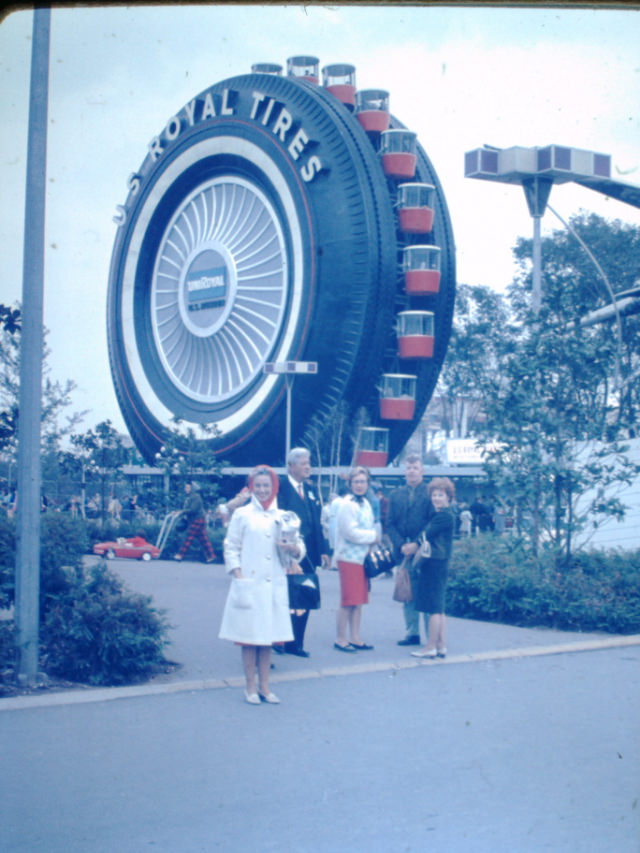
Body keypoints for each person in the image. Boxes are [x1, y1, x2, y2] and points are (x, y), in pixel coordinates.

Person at [219, 465, 305, 704]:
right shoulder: (243, 515)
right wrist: (238, 575)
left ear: (274, 486)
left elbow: (299, 547)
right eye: (258, 486)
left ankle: (265, 687)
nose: (263, 490)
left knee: (267, 639)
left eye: (267, 486)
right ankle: (249, 688)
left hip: (273, 585)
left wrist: (293, 549)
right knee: (249, 639)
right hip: (250, 583)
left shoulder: (284, 516)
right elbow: (231, 546)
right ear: (251, 487)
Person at [277, 447, 329, 657]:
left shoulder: (310, 489)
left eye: (309, 463)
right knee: (286, 597)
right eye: (303, 463)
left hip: (308, 554)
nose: (308, 466)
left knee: (305, 595)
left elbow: (317, 523)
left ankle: (297, 643)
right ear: (291, 466)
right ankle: (280, 641)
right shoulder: (280, 488)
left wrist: (324, 550)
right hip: (288, 553)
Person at [385, 454, 434, 646]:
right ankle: (412, 633)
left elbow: (432, 522)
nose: (411, 471)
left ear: (422, 471)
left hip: (424, 551)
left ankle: (431, 634)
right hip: (403, 552)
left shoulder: (430, 493)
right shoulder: (396, 495)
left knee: (426, 592)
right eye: (408, 468)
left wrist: (416, 544)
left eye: (415, 468)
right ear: (404, 472)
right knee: (407, 592)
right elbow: (390, 524)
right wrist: (401, 545)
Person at [333, 466, 378, 652]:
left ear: (368, 483)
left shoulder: (366, 504)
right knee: (348, 601)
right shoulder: (347, 504)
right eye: (356, 482)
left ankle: (355, 637)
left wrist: (370, 542)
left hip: (362, 559)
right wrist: (372, 536)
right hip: (348, 559)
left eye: (363, 482)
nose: (360, 485)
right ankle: (340, 638)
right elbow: (349, 532)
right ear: (350, 483)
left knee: (358, 601)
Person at [410, 477, 456, 659]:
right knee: (439, 607)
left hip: (435, 563)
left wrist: (414, 543)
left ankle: (430, 646)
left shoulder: (443, 516)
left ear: (448, 497)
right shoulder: (442, 515)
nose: (437, 498)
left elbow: (425, 535)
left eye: (441, 495)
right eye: (434, 495)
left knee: (434, 608)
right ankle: (441, 645)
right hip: (440, 563)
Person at [173, 482, 216, 563]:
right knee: (203, 539)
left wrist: (182, 512)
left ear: (192, 489)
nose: (186, 489)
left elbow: (193, 510)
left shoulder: (196, 497)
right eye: (185, 488)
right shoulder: (189, 497)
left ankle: (180, 555)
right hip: (196, 519)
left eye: (188, 488)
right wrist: (178, 512)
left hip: (198, 519)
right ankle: (211, 556)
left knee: (188, 537)